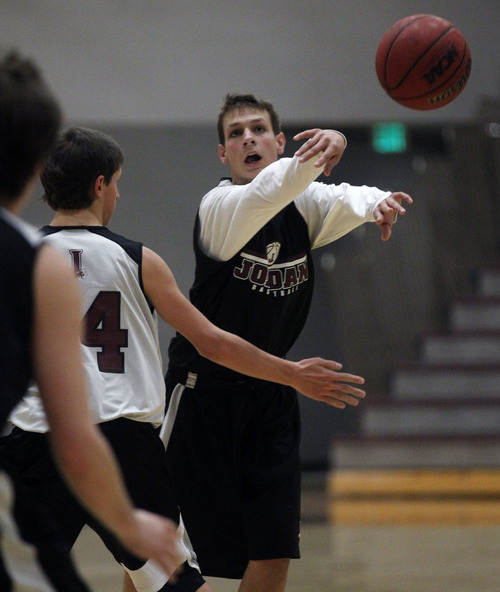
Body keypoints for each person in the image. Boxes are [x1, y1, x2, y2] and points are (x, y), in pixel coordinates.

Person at [5, 126, 367, 592]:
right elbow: (212, 342)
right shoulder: (139, 260)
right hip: (125, 448)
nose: (117, 191)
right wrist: (291, 374)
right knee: (175, 585)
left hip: (39, 440)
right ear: (99, 186)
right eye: (115, 181)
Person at [159, 93, 414, 592]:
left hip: (270, 398)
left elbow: (342, 196)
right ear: (223, 154)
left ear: (278, 142)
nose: (247, 138)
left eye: (258, 130)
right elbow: (273, 189)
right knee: (168, 560)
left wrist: (376, 204)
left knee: (273, 555)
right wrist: (326, 148)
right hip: (202, 397)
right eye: (236, 133)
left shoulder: (303, 203)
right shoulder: (220, 207)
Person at [0, 52, 183, 591]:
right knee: (173, 581)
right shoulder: (36, 262)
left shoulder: (40, 255)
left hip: (30, 442)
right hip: (112, 434)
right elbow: (76, 440)